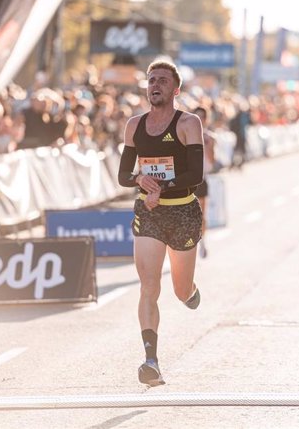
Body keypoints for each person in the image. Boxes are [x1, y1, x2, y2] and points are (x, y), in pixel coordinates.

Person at [117, 60, 204, 387]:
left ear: (175, 89)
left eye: (163, 81)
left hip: (182, 211)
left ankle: (190, 291)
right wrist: (141, 181)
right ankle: (150, 360)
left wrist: (161, 187)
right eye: (151, 80)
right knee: (148, 285)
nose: (155, 85)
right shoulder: (134, 126)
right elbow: (123, 176)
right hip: (149, 213)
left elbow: (195, 174)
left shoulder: (188, 123)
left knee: (179, 290)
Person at [193, 106, 216, 259]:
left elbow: (212, 162)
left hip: (201, 179)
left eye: (202, 117)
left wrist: (206, 145)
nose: (199, 120)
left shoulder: (209, 138)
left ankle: (202, 242)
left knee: (200, 214)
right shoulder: (185, 135)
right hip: (186, 181)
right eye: (196, 117)